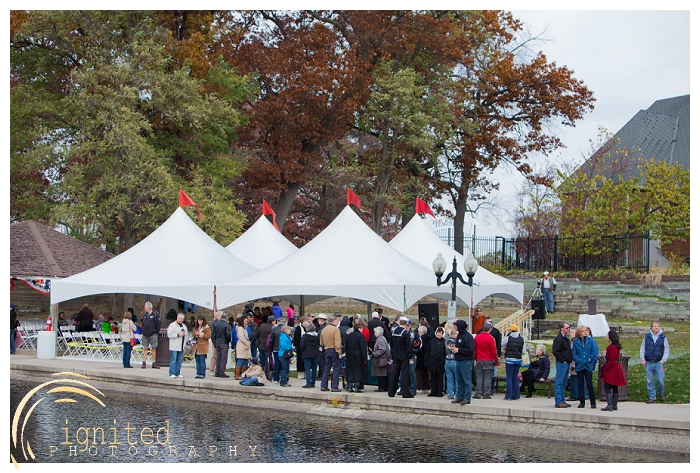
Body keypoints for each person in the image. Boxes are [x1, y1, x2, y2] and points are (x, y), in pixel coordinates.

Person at [640, 321, 670, 403]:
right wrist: (643, 359)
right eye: (655, 326)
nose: (656, 327)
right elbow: (643, 348)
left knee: (660, 380)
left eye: (658, 326)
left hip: (658, 362)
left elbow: (666, 350)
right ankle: (652, 397)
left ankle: (660, 392)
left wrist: (663, 360)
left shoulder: (663, 338)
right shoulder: (647, 337)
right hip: (649, 362)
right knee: (650, 381)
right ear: (651, 328)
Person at [572, 325, 598, 408]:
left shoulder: (590, 341)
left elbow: (594, 352)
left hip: (587, 365)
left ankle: (592, 402)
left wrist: (589, 359)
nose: (585, 332)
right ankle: (581, 401)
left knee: (589, 383)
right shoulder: (576, 341)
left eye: (586, 331)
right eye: (583, 331)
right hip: (580, 365)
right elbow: (574, 353)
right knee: (580, 383)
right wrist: (578, 360)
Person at [388, 317, 414, 399]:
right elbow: (408, 346)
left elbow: (391, 344)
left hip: (395, 355)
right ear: (406, 323)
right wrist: (410, 356)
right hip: (404, 356)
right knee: (405, 374)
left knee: (394, 373)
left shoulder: (393, 331)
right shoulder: (405, 333)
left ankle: (391, 392)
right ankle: (405, 393)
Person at [600, 330, 626, 411]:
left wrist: (605, 369)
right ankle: (614, 404)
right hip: (615, 367)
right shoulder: (615, 346)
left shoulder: (613, 347)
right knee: (614, 386)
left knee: (607, 386)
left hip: (612, 368)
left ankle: (610, 404)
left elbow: (611, 360)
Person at [451, 319, 474, 405]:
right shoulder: (459, 335)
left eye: (456, 325)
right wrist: (454, 350)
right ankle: (459, 396)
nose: (455, 326)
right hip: (459, 360)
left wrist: (459, 350)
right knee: (459, 379)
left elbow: (470, 349)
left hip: (466, 361)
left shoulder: (467, 336)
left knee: (466, 380)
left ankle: (467, 398)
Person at [473, 322, 498, 399]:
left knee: (479, 377)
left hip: (479, 359)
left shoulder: (477, 337)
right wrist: (496, 361)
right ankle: (486, 393)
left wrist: (476, 358)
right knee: (487, 377)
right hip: (488, 359)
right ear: (490, 328)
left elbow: (475, 350)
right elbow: (494, 351)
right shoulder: (491, 338)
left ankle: (478, 393)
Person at [319, 313, 343, 392]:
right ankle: (334, 386)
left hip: (326, 349)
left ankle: (324, 385)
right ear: (334, 321)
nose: (338, 322)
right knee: (336, 369)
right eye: (337, 321)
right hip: (334, 350)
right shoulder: (336, 329)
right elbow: (337, 342)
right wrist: (339, 353)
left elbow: (321, 342)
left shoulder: (324, 329)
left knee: (327, 368)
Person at [502, 323, 526, 401]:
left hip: (509, 360)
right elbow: (523, 351)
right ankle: (516, 395)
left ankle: (508, 395)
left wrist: (506, 335)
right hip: (518, 360)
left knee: (509, 377)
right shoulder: (522, 339)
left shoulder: (508, 338)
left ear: (511, 330)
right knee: (515, 377)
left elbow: (502, 344)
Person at [552, 321, 572, 408]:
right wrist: (562, 360)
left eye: (569, 328)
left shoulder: (566, 338)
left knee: (564, 382)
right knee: (559, 382)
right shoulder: (559, 339)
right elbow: (556, 351)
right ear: (562, 329)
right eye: (567, 328)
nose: (568, 329)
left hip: (567, 362)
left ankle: (562, 399)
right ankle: (558, 400)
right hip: (562, 363)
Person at [345, 319, 368, 393]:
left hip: (349, 353)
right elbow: (363, 348)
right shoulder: (361, 336)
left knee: (350, 369)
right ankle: (357, 386)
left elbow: (346, 346)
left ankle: (350, 386)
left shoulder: (349, 335)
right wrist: (364, 358)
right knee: (358, 369)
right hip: (358, 354)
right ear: (359, 328)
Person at [425, 326, 446, 397]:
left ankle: (440, 391)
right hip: (432, 361)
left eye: (440, 333)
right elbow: (428, 351)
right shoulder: (432, 341)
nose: (439, 334)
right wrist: (427, 359)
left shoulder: (444, 342)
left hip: (440, 362)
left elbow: (444, 352)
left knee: (440, 378)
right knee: (433, 377)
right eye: (438, 333)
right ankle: (433, 391)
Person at [167, 313, 189, 378]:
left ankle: (178, 372)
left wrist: (186, 341)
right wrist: (178, 335)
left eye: (183, 319)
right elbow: (169, 334)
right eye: (181, 318)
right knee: (173, 359)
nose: (182, 320)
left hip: (181, 345)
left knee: (179, 360)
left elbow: (186, 334)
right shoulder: (172, 325)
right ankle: (172, 373)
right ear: (177, 318)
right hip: (174, 345)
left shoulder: (184, 326)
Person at [370, 325, 391, 392]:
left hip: (381, 360)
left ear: (379, 333)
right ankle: (384, 387)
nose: (374, 334)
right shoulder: (382, 338)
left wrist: (375, 353)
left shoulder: (380, 339)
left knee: (381, 374)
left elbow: (383, 349)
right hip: (383, 359)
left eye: (375, 332)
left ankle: (382, 387)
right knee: (383, 374)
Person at [141, 302, 162, 369]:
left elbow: (158, 323)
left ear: (149, 307)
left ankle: (154, 362)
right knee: (145, 347)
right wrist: (143, 330)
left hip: (153, 333)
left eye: (145, 306)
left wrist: (156, 331)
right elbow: (143, 323)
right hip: (145, 334)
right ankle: (144, 362)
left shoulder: (155, 314)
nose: (144, 308)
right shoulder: (145, 315)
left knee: (153, 348)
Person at [299, 322, 320, 388]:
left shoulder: (305, 336)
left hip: (307, 353)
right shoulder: (317, 336)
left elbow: (302, 346)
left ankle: (308, 382)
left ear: (307, 329)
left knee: (307, 368)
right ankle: (313, 382)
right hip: (316, 354)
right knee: (314, 368)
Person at [211, 310, 231, 378]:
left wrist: (214, 342)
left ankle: (217, 371)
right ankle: (222, 372)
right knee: (223, 358)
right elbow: (228, 335)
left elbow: (214, 334)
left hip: (217, 342)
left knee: (218, 357)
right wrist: (229, 341)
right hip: (224, 342)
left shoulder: (216, 324)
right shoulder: (226, 325)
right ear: (226, 318)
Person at [257, 314, 274, 379]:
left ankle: (261, 373)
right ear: (272, 321)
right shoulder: (272, 327)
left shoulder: (262, 325)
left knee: (261, 360)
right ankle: (266, 375)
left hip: (261, 345)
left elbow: (257, 334)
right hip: (267, 346)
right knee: (267, 360)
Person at [235, 315, 251, 380]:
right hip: (242, 346)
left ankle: (243, 374)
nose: (246, 322)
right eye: (245, 321)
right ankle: (237, 375)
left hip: (245, 346)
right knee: (240, 360)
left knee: (245, 360)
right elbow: (241, 337)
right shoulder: (240, 328)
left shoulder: (244, 328)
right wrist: (247, 343)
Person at [443, 329, 458, 399]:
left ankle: (450, 394)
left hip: (447, 360)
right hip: (454, 360)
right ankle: (458, 394)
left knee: (449, 379)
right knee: (457, 379)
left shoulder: (447, 341)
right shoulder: (456, 342)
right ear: (454, 334)